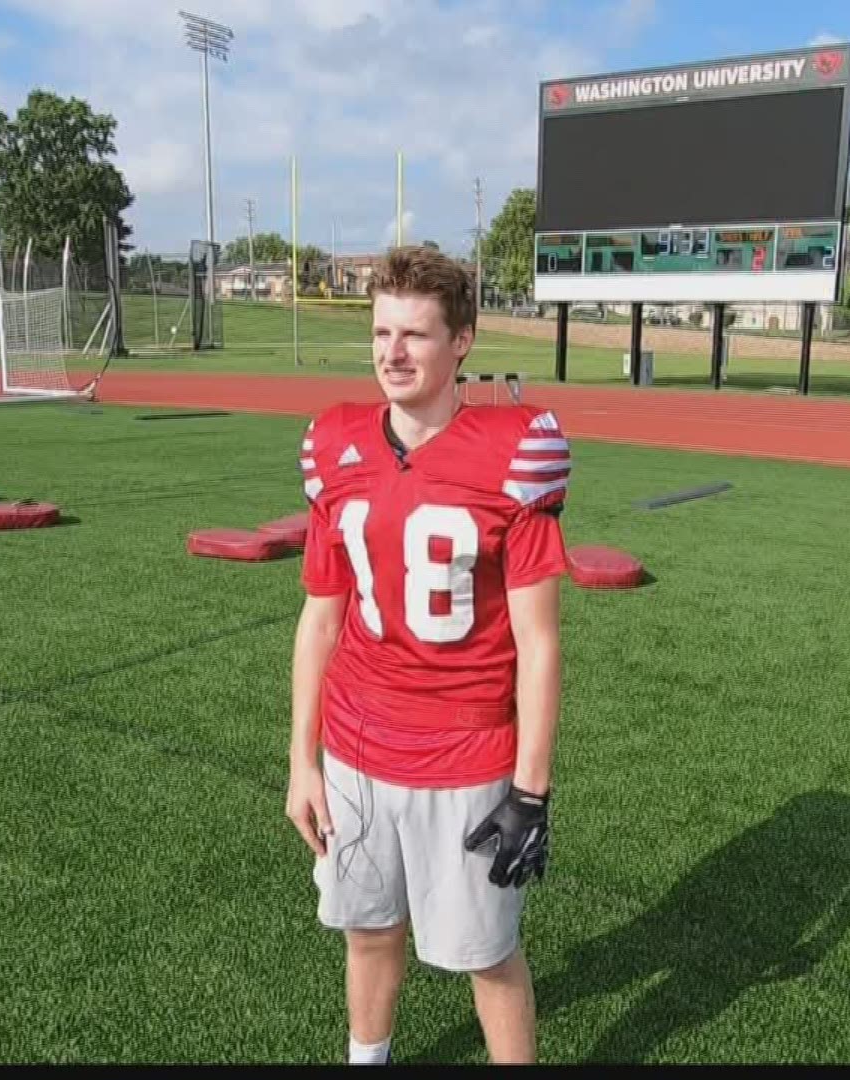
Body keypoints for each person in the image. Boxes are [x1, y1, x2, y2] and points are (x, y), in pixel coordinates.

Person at [285, 246, 570, 1065]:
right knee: (367, 933)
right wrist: (302, 762)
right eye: (381, 331)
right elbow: (319, 617)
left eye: (415, 333)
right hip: (358, 749)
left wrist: (532, 789)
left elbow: (539, 641)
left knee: (487, 956)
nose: (392, 352)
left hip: (467, 758)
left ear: (463, 342)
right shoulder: (335, 445)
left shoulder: (513, 454)